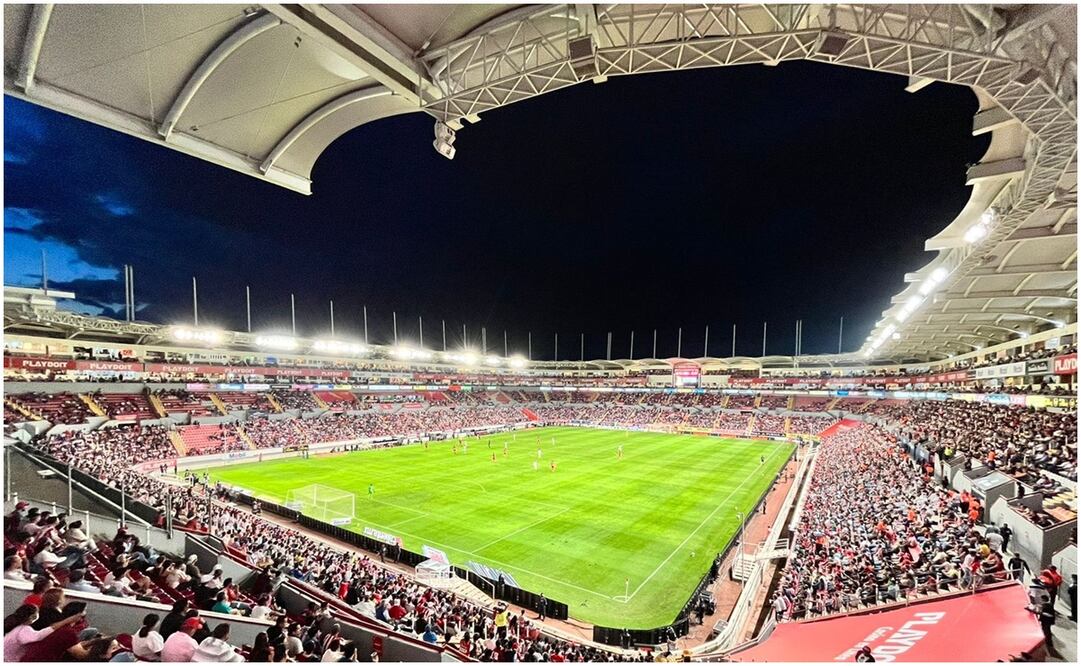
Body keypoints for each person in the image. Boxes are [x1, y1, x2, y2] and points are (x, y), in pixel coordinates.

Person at [3, 603, 85, 662]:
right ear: (33, 617)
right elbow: (39, 636)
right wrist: (67, 621)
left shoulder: (16, 627)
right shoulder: (23, 629)